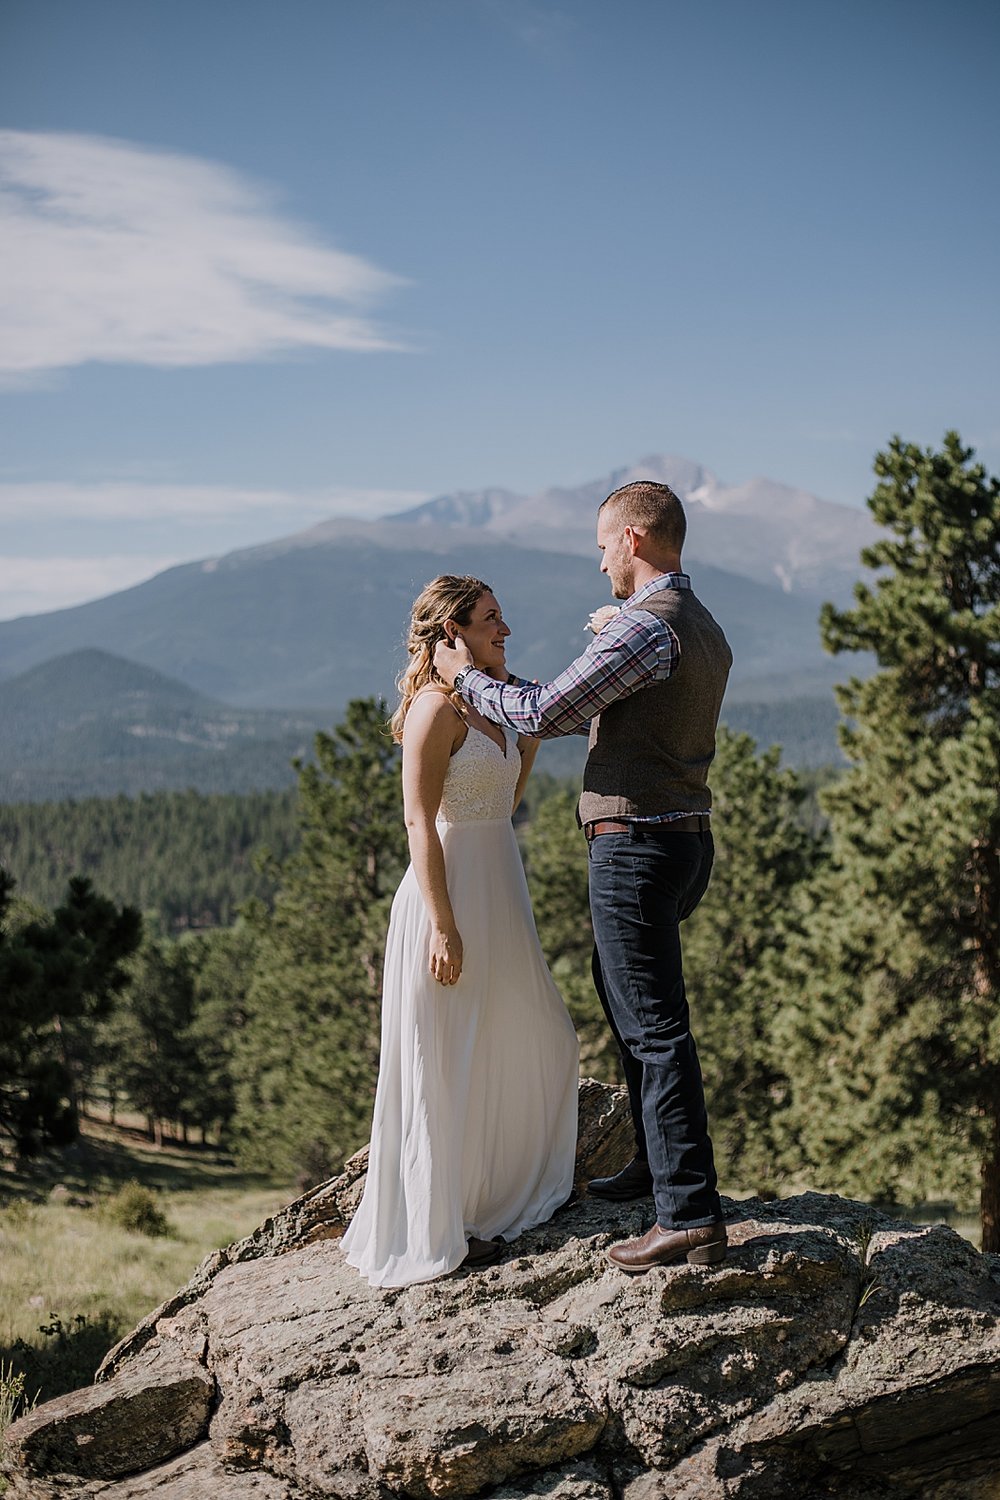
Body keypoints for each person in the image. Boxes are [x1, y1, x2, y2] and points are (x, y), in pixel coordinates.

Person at [434, 482, 732, 1274]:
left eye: (603, 543)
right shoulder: (699, 626)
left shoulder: (649, 630)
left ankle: (690, 1215)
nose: (598, 558)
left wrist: (464, 679)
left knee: (655, 1027)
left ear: (632, 540)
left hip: (635, 843)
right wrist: (614, 628)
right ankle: (654, 1169)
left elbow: (545, 711)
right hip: (681, 839)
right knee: (633, 1007)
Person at [341, 575, 579, 1288]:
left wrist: (519, 722)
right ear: (453, 635)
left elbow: (507, 798)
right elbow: (418, 820)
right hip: (448, 897)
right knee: (446, 1056)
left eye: (503, 617)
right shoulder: (432, 711)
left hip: (501, 886)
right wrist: (442, 926)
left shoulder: (494, 706)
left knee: (540, 1035)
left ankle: (492, 1198)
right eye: (491, 620)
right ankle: (437, 1224)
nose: (506, 628)